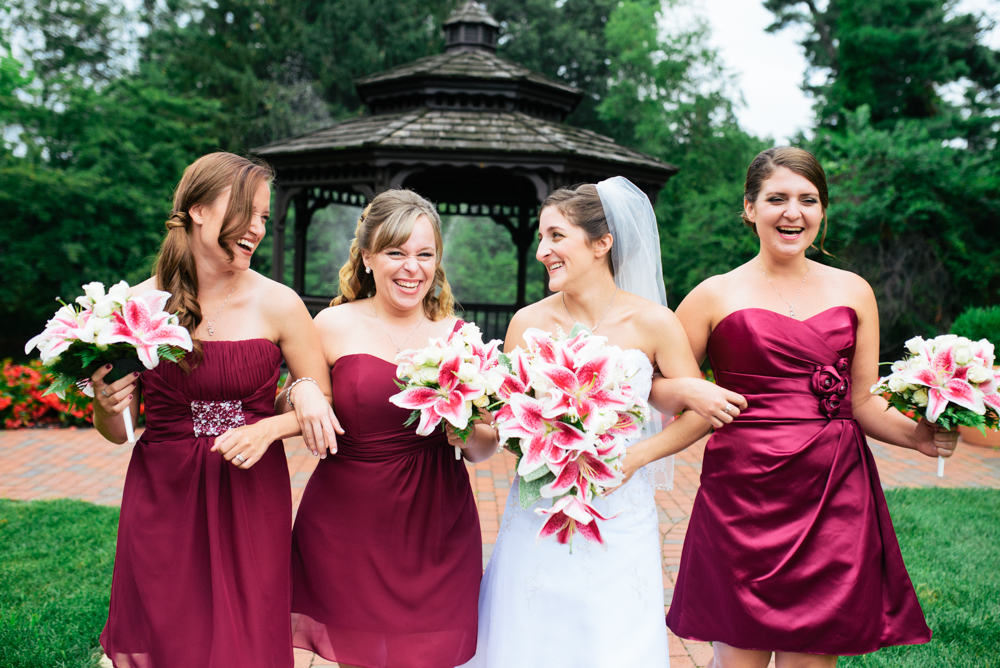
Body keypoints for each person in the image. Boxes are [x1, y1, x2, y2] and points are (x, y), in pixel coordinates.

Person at [665, 147, 959, 668]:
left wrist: (916, 436)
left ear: (822, 211)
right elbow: (662, 386)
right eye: (776, 198)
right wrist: (692, 393)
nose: (792, 212)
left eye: (808, 199)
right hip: (744, 493)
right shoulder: (712, 295)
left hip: (834, 493)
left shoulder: (854, 290)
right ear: (749, 208)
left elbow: (862, 400)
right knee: (738, 650)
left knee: (814, 653)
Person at [463, 177, 746, 668]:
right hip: (538, 510)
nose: (541, 251)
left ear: (602, 243)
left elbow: (701, 413)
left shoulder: (655, 322)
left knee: (613, 639)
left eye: (555, 236)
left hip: (621, 508)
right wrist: (469, 423)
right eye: (540, 238)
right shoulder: (526, 323)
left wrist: (636, 456)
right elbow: (505, 421)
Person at [93, 152, 338, 668]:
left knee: (247, 639)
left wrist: (269, 428)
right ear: (199, 209)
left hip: (250, 489)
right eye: (247, 211)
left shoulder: (280, 303)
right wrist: (105, 404)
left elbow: (322, 401)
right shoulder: (135, 306)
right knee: (169, 632)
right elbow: (117, 432)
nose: (257, 228)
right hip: (163, 490)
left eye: (265, 218)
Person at [284, 189, 496, 668]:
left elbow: (486, 446)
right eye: (396, 253)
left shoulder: (460, 338)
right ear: (367, 257)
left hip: (436, 525)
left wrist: (465, 434)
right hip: (347, 525)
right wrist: (302, 389)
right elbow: (289, 397)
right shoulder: (330, 324)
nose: (411, 268)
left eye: (424, 254)